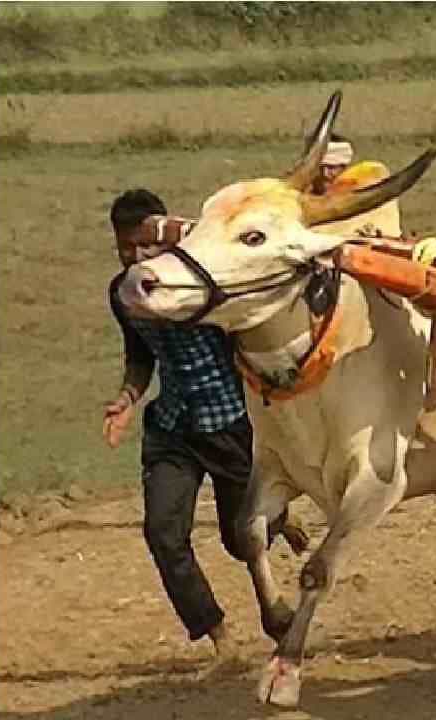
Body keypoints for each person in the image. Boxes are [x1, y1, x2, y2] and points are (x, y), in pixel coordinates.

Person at [103, 189, 304, 667]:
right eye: (124, 247)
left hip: (231, 425)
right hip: (174, 429)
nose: (135, 257)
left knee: (241, 541)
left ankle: (279, 516)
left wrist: (179, 233)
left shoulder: (211, 282)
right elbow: (140, 356)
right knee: (163, 533)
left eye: (144, 244)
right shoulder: (124, 294)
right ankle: (218, 634)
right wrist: (127, 399)